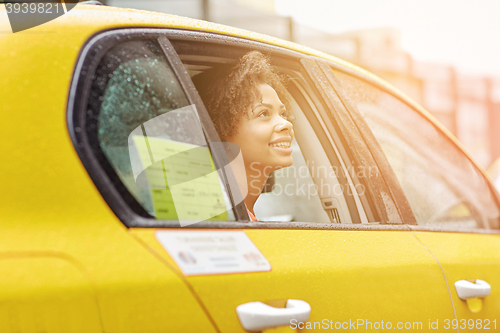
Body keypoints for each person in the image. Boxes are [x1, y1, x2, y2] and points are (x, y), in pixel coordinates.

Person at [193, 51, 294, 221]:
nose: (287, 124)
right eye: (263, 113)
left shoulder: (230, 215)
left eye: (282, 113)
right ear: (219, 130)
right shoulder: (222, 221)